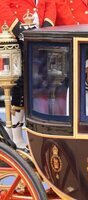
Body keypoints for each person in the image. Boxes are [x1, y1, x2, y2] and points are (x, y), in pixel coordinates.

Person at [0, 0, 56, 149]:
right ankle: (16, 135)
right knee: (19, 84)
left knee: (38, 85)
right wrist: (19, 30)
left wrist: (47, 28)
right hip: (15, 37)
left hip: (39, 37)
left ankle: (32, 136)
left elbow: (50, 5)